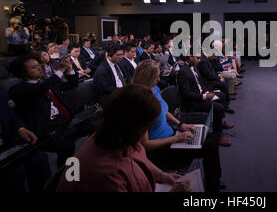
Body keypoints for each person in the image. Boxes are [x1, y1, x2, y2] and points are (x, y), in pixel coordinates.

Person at [56, 84, 191, 192]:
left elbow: (139, 156)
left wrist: (162, 175)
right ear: (134, 125)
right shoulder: (106, 177)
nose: (147, 130)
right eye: (147, 126)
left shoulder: (118, 135)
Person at [133, 60, 225, 192]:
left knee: (210, 137)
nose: (159, 79)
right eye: (156, 76)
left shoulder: (154, 89)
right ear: (148, 78)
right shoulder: (140, 103)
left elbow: (164, 111)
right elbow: (146, 145)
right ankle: (213, 187)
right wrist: (177, 139)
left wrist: (181, 125)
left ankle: (214, 182)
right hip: (160, 150)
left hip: (171, 136)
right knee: (210, 145)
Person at [8, 56, 90, 167]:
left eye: (39, 65)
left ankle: (95, 165)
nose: (39, 68)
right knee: (68, 146)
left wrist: (69, 69)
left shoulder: (44, 83)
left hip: (64, 120)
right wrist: (60, 70)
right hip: (46, 129)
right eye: (34, 67)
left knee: (95, 125)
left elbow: (72, 84)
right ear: (23, 73)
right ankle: (68, 178)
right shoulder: (18, 89)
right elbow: (40, 89)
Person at [177, 54, 233, 147]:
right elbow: (186, 94)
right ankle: (218, 135)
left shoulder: (194, 67)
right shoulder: (183, 72)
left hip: (201, 95)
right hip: (192, 103)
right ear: (190, 57)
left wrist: (206, 92)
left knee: (222, 96)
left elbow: (200, 83)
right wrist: (204, 96)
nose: (199, 60)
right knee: (218, 108)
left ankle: (219, 121)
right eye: (197, 58)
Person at [0, 91, 51, 192]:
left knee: (39, 159)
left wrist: (20, 129)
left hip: (7, 144)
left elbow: (9, 113)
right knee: (16, 172)